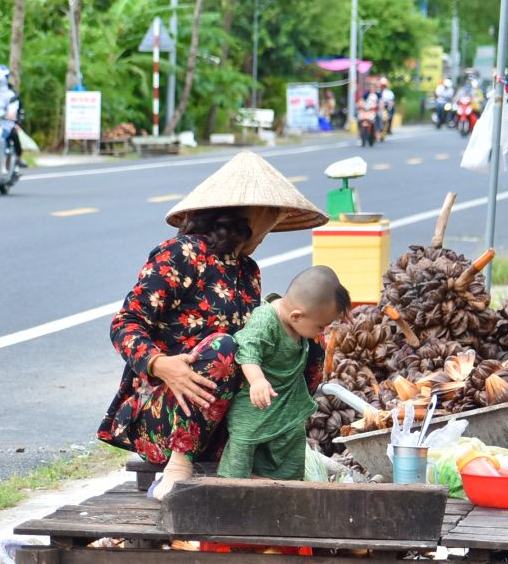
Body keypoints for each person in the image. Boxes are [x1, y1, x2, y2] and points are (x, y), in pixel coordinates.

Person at [97, 151, 329, 498]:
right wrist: (162, 365)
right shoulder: (180, 254)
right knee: (225, 347)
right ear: (253, 214)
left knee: (307, 342)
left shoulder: (248, 271)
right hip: (167, 412)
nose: (270, 229)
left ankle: (264, 455)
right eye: (271, 218)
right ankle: (179, 466)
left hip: (224, 419)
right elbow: (124, 324)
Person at [219, 266, 351, 480]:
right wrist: (257, 380)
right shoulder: (265, 320)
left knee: (291, 444)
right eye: (320, 326)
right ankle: (234, 484)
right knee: (244, 442)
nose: (322, 332)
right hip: (256, 401)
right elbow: (248, 347)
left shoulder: (297, 321)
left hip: (286, 402)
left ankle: (286, 485)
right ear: (297, 316)